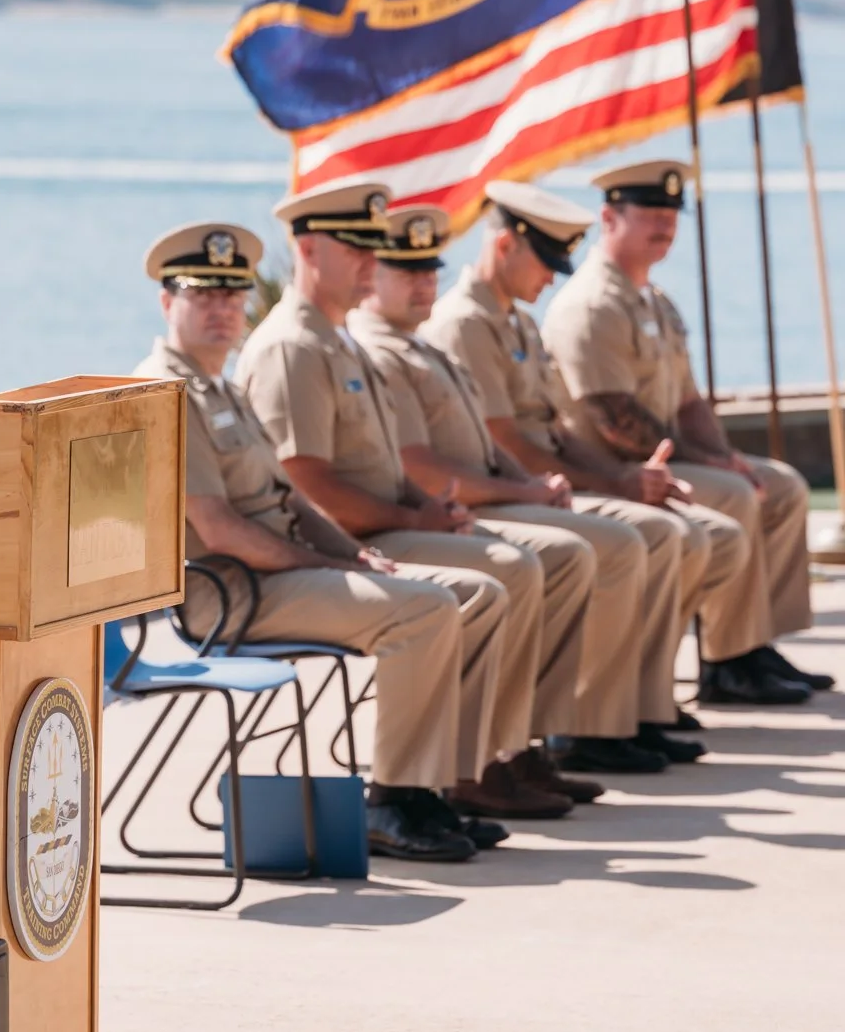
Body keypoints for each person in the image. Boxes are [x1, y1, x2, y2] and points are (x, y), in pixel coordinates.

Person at [135, 220, 497, 861]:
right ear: (168, 303)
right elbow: (221, 530)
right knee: (424, 608)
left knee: (466, 593)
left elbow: (291, 499)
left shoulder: (220, 385)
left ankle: (429, 789)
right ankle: (392, 800)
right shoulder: (167, 393)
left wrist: (355, 556)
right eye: (202, 295)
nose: (221, 310)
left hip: (279, 576)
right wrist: (330, 562)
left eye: (231, 295)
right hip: (230, 594)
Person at [234, 179, 572, 823]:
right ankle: (407, 792)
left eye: (372, 248)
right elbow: (309, 484)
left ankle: (467, 768)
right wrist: (413, 519)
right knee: (487, 580)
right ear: (307, 250)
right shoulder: (292, 346)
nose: (371, 262)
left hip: (374, 532)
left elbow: (386, 467)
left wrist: (430, 510)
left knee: (503, 577)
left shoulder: (339, 340)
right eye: (356, 248)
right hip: (335, 543)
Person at [425, 179, 740, 761]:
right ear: (504, 247)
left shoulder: (514, 320)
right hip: (500, 493)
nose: (550, 278)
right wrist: (610, 484)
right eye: (544, 262)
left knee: (685, 532)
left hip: (533, 486)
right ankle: (584, 725)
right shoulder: (465, 324)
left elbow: (558, 433)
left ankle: (633, 708)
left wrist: (633, 477)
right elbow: (508, 442)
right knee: (631, 540)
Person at [352, 202, 654, 804]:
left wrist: (541, 485)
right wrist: (523, 491)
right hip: (425, 518)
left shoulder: (420, 343)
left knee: (580, 549)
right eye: (404, 271)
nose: (421, 284)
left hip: (461, 506)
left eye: (427, 270)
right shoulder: (382, 348)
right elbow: (422, 467)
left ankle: (520, 745)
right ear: (370, 275)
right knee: (545, 559)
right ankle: (483, 759)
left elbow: (496, 443)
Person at [543, 161, 823, 707]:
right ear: (609, 218)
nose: (664, 226)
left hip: (675, 459)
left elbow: (689, 401)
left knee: (781, 485)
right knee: (737, 493)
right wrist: (717, 467)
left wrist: (725, 455)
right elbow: (612, 419)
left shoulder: (655, 300)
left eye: (670, 214)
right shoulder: (591, 304)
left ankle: (755, 640)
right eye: (649, 214)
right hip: (619, 471)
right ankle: (727, 659)